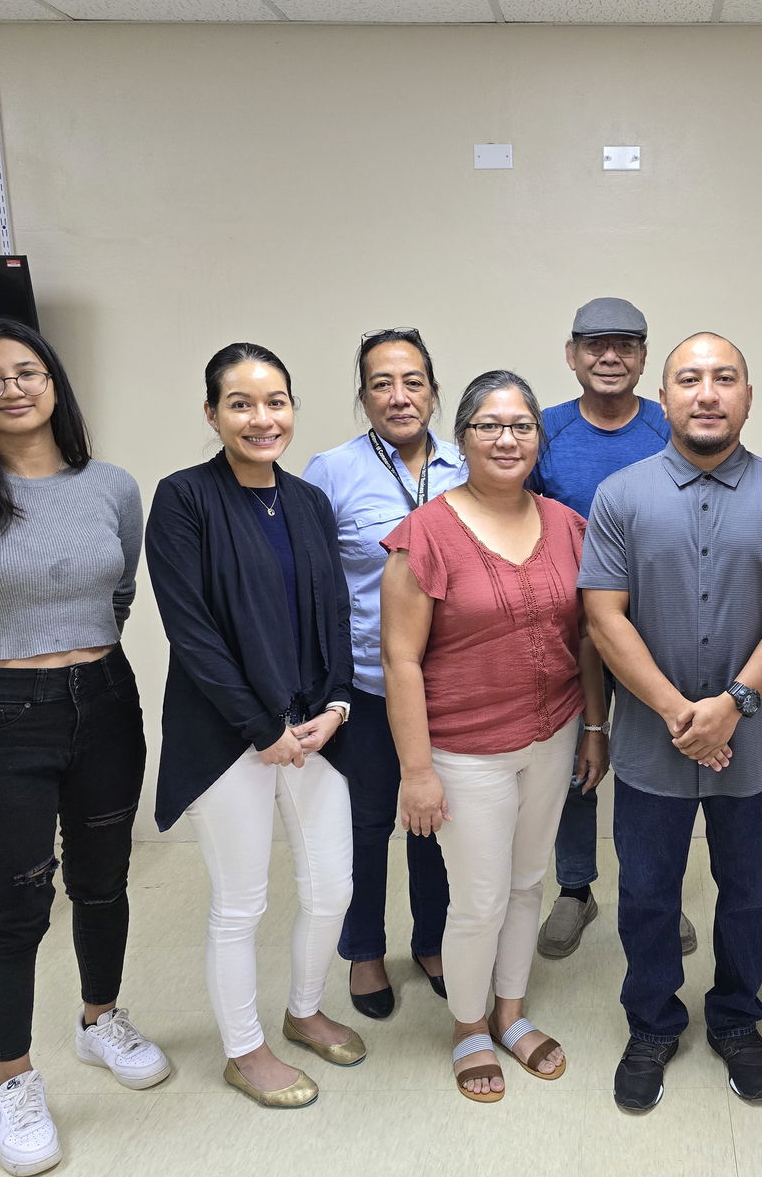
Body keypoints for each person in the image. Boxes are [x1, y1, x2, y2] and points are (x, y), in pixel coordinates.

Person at [0, 317, 168, 1177]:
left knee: (103, 881)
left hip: (105, 699)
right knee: (14, 909)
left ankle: (100, 1020)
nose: (13, 388)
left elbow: (118, 591)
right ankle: (13, 1079)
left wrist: (78, 661)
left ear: (54, 383)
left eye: (28, 371)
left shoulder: (111, 486)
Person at [580, 332, 762, 1111]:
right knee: (648, 892)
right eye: (690, 379)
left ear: (749, 398)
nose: (708, 393)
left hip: (751, 745)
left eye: (725, 379)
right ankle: (652, 1023)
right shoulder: (621, 494)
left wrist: (732, 707)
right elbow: (604, 616)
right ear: (665, 399)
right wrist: (677, 711)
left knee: (749, 893)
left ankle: (736, 1019)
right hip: (650, 745)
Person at [147, 342, 362, 1110]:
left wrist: (337, 705)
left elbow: (336, 614)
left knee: (331, 889)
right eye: (240, 404)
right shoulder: (183, 498)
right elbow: (191, 631)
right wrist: (260, 726)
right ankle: (245, 1050)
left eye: (276, 402)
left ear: (293, 409)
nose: (261, 418)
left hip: (314, 729)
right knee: (241, 903)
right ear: (212, 414)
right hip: (227, 736)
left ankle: (304, 1010)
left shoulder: (308, 502)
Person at [383, 371, 608, 1102]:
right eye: (489, 425)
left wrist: (594, 727)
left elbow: (588, 638)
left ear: (539, 438)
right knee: (478, 898)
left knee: (527, 882)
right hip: (463, 750)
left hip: (552, 733)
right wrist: (417, 771)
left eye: (521, 426)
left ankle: (510, 1013)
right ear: (462, 438)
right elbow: (400, 660)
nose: (507, 439)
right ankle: (469, 1026)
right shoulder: (425, 534)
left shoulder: (566, 525)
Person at [527, 296, 694, 961]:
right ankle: (575, 888)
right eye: (595, 345)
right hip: (569, 635)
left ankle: (658, 892)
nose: (609, 357)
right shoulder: (543, 431)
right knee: (577, 762)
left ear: (643, 357)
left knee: (660, 768)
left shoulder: (670, 425)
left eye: (625, 345)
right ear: (571, 355)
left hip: (658, 632)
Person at [303, 328, 463, 1015]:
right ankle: (364, 950)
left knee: (437, 820)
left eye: (413, 382)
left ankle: (432, 941)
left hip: (448, 685)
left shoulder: (466, 464)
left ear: (433, 390)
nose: (399, 397)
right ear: (364, 396)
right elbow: (310, 584)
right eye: (381, 384)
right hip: (367, 684)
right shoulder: (331, 471)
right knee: (366, 825)